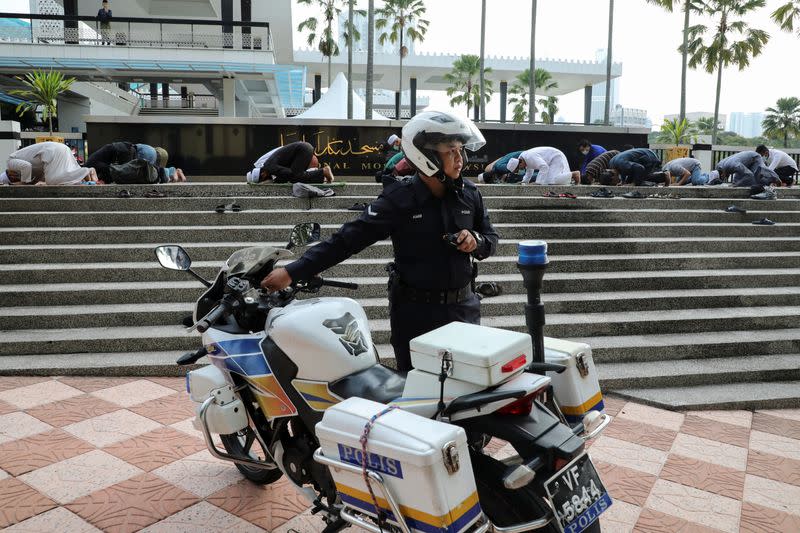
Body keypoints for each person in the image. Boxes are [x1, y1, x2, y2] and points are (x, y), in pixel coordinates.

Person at [260, 110, 499, 371]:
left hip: (464, 310)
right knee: (415, 394)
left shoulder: (470, 195)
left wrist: (476, 240)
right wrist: (292, 271)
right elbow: (346, 240)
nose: (460, 158)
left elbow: (490, 240)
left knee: (469, 392)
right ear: (426, 156)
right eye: (450, 150)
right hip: (417, 315)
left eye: (461, 150)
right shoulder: (399, 200)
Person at [6, 142, 97, 185]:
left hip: (52, 150)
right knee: (63, 175)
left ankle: (86, 171)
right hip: (59, 148)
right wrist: (29, 183)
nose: (14, 178)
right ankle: (87, 171)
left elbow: (26, 166)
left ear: (10, 173)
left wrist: (23, 183)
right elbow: (39, 174)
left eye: (12, 178)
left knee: (53, 180)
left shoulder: (10, 161)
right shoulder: (31, 169)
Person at [246, 141, 334, 184]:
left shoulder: (270, 167)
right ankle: (322, 177)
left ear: (263, 175)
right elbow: (284, 174)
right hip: (303, 149)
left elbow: (289, 173)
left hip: (303, 149)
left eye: (263, 180)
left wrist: (279, 180)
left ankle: (324, 171)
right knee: (296, 177)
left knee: (296, 176)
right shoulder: (269, 166)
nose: (266, 181)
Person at [512, 146, 580, 185]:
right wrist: (524, 181)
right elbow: (529, 171)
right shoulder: (524, 158)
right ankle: (571, 176)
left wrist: (538, 183)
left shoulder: (529, 157)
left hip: (556, 157)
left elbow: (544, 167)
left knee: (551, 180)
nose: (521, 170)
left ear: (520, 163)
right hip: (551, 160)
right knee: (547, 181)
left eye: (519, 169)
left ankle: (574, 174)